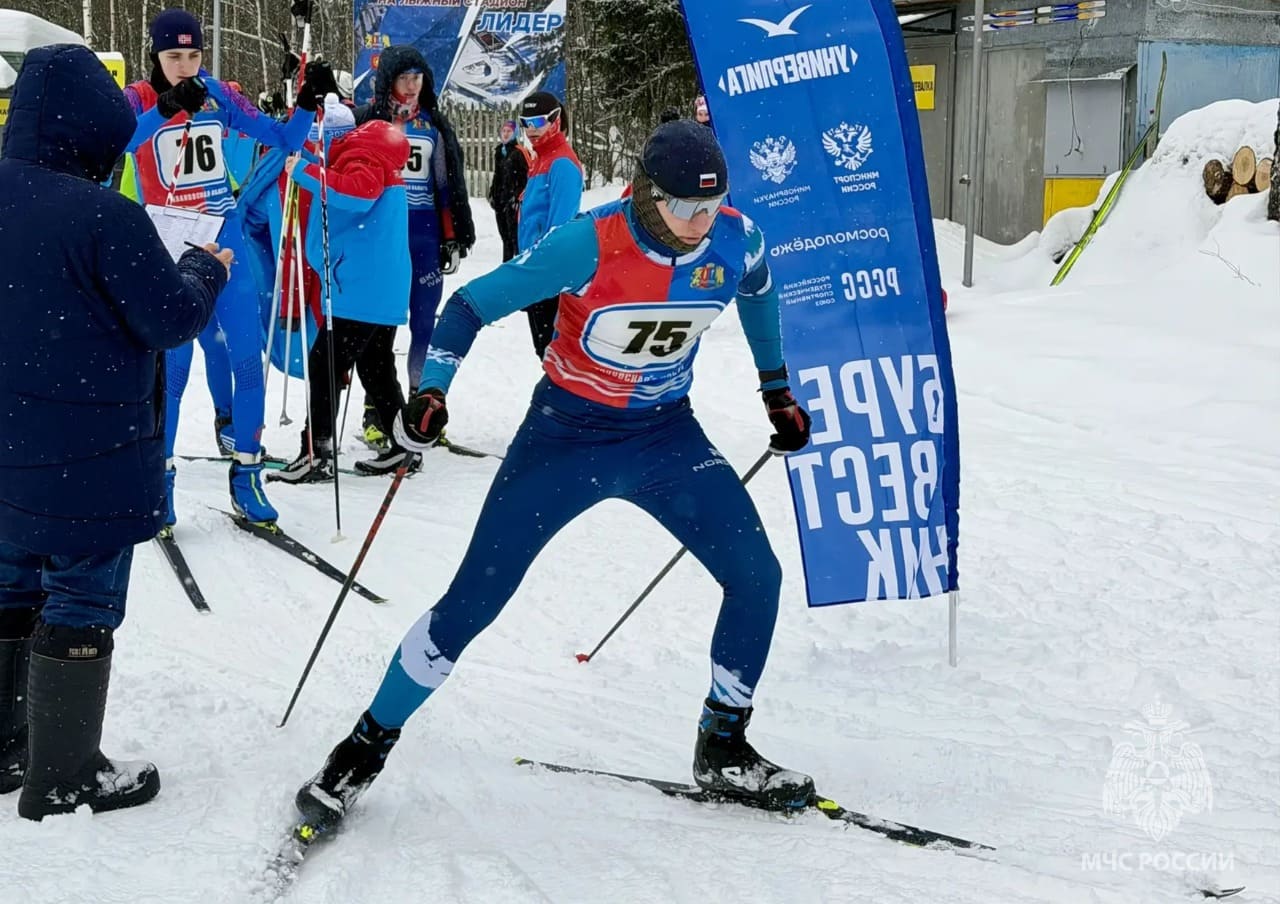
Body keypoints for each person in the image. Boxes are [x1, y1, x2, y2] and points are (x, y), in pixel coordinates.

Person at [293, 121, 817, 833]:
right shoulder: (589, 242)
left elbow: (758, 289)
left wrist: (776, 389)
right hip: (565, 440)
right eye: (684, 207)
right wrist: (433, 390)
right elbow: (471, 305)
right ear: (647, 192)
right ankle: (363, 748)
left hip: (665, 437)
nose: (700, 223)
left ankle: (723, 745)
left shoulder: (735, 238)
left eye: (712, 205)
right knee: (471, 604)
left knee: (758, 576)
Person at [0, 44, 228, 820]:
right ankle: (63, 775)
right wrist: (206, 268)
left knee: (9, 580)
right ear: (92, 129)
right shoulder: (105, 215)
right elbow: (171, 318)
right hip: (87, 454)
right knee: (81, 591)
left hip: (6, 448)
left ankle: (6, 745)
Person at [120, 8, 326, 526]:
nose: (185, 67)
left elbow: (283, 140)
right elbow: (116, 142)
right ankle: (160, 478)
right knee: (173, 372)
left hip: (224, 238)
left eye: (193, 55)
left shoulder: (217, 94)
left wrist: (306, 103)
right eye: (173, 56)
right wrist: (165, 108)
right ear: (155, 56)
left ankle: (247, 474)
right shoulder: (138, 98)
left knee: (247, 360)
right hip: (169, 245)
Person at [269, 100, 417, 482]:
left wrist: (305, 172)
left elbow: (357, 194)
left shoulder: (358, 156)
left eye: (315, 142)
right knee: (375, 366)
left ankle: (316, 453)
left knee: (325, 366)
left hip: (360, 289)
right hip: (378, 287)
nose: (314, 150)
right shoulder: (368, 153)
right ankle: (404, 445)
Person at [353, 45, 475, 453]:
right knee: (380, 326)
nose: (411, 86)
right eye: (404, 78)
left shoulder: (432, 125)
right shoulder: (370, 121)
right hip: (384, 236)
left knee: (425, 324)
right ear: (388, 81)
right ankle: (376, 410)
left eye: (417, 78)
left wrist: (453, 235)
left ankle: (422, 409)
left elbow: (446, 185)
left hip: (423, 236)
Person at [516, 90, 584, 358]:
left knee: (554, 352)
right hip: (536, 271)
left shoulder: (562, 163)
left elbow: (561, 228)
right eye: (525, 123)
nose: (530, 130)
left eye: (537, 122)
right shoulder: (541, 159)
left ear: (556, 120)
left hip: (550, 275)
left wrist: (544, 273)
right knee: (544, 351)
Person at [487, 119, 530, 262]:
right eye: (503, 131)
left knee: (514, 236)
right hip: (501, 200)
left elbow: (527, 177)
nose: (505, 134)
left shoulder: (519, 152)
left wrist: (517, 196)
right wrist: (492, 193)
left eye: (509, 131)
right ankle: (506, 264)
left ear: (515, 133)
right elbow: (497, 175)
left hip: (513, 202)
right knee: (505, 236)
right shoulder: (499, 151)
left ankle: (517, 263)